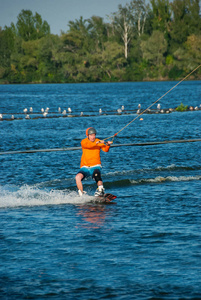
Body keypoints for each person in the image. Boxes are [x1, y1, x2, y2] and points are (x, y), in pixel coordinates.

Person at [75, 127, 112, 197]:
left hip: (96, 165)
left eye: (94, 135)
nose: (93, 137)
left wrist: (108, 144)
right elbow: (89, 146)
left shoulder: (98, 141)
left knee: (97, 175)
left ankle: (101, 190)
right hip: (85, 166)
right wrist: (97, 143)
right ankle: (81, 194)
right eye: (91, 135)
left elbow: (105, 150)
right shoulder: (84, 142)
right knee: (77, 177)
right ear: (87, 135)